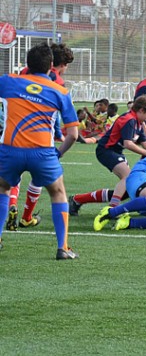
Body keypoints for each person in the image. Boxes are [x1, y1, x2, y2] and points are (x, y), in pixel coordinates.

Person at [0, 42, 79, 259]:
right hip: (43, 153)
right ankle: (63, 248)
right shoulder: (61, 91)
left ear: (27, 63)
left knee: (3, 188)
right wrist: (58, 153)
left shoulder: (7, 81)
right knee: (58, 192)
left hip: (10, 150)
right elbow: (73, 135)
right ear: (51, 65)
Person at [69, 96, 146, 215]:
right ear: (141, 110)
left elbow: (145, 143)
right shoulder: (130, 119)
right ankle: (112, 209)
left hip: (115, 152)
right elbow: (128, 144)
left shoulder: (138, 122)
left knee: (125, 190)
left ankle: (77, 200)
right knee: (127, 177)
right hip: (106, 150)